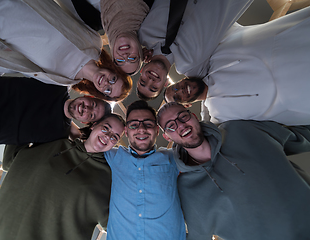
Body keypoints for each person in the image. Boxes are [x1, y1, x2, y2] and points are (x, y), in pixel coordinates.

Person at [157, 102, 310, 240]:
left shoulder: (240, 129)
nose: (181, 125)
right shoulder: (187, 189)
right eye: (171, 125)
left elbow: (301, 138)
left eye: (183, 116)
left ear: (194, 116)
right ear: (167, 136)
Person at [0, 113, 126, 240]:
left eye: (115, 137)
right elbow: (11, 160)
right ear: (93, 125)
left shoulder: (109, 177)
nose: (108, 136)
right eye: (106, 128)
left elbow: (116, 225)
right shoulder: (55, 141)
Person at [0, 0, 132, 101]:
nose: (105, 83)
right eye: (113, 79)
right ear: (113, 69)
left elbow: (20, 62)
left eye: (108, 90)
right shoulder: (93, 40)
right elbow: (69, 5)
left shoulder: (62, 82)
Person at [164, 6, 310, 126]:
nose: (180, 90)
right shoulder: (220, 117)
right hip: (301, 94)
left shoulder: (215, 52)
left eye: (175, 87)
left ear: (182, 79)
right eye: (177, 97)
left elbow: (209, 14)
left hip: (296, 38)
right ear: (186, 105)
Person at [0, 73, 112, 152]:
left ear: (85, 122)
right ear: (88, 96)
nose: (86, 109)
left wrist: (75, 134)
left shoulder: (57, 136)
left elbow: (11, 163)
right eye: (91, 104)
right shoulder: (57, 83)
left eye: (91, 115)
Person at [137, 0, 253, 100]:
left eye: (143, 82)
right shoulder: (193, 67)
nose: (150, 80)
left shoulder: (143, 34)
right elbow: (214, 89)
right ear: (166, 83)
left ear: (141, 70)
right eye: (154, 87)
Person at [104, 100, 186, 239]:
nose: (141, 129)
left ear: (157, 130)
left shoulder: (173, 157)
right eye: (134, 125)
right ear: (126, 131)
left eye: (148, 124)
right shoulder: (112, 156)